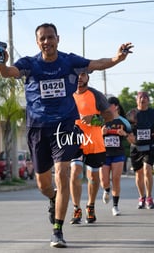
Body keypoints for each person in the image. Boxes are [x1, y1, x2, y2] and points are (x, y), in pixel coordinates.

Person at [0, 23, 132, 248]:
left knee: (63, 172)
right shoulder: (29, 64)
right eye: (43, 39)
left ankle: (57, 230)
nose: (47, 42)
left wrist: (117, 59)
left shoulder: (69, 62)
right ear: (37, 42)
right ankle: (53, 198)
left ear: (58, 39)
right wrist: (1, 61)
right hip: (38, 129)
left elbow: (97, 64)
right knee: (43, 183)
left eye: (51, 37)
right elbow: (7, 73)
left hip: (65, 127)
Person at [69, 72, 114, 224]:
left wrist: (94, 119)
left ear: (87, 77)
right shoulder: (67, 95)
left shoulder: (96, 95)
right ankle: (76, 208)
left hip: (94, 142)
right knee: (75, 172)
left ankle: (91, 206)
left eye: (83, 74)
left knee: (93, 177)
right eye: (77, 75)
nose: (79, 77)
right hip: (75, 140)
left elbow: (109, 116)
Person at [127, 91, 154, 209]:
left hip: (149, 145)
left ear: (148, 100)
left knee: (147, 169)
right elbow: (125, 128)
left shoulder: (153, 113)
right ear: (136, 100)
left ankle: (149, 198)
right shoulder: (131, 113)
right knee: (138, 174)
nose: (142, 99)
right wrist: (129, 136)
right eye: (140, 97)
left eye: (145, 97)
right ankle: (141, 197)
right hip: (136, 147)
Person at [100, 96, 131, 216]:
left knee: (116, 179)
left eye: (109, 105)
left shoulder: (124, 121)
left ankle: (115, 206)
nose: (107, 107)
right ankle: (106, 190)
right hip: (104, 153)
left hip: (118, 153)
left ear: (116, 106)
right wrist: (101, 133)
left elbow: (131, 138)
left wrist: (124, 134)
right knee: (104, 181)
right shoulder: (102, 120)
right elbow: (95, 135)